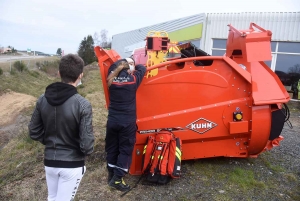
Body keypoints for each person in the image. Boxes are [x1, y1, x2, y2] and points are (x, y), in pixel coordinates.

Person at [28, 54, 94, 201]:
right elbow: (87, 145)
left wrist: (50, 141)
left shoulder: (42, 99)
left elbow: (33, 131)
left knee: (52, 198)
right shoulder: (83, 104)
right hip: (72, 164)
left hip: (50, 162)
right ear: (80, 75)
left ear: (59, 73)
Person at [106, 57, 146, 191]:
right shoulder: (132, 80)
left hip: (112, 121)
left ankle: (111, 174)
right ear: (128, 68)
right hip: (126, 123)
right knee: (125, 150)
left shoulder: (111, 78)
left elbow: (113, 66)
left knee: (112, 147)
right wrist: (134, 67)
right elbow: (143, 69)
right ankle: (117, 180)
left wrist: (123, 64)